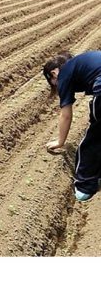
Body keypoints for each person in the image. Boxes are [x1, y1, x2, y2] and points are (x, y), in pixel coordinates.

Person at [43, 51, 101, 202]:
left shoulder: (64, 74)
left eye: (53, 83)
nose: (57, 86)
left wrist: (60, 142)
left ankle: (84, 186)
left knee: (93, 140)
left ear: (53, 73)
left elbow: (66, 115)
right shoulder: (83, 62)